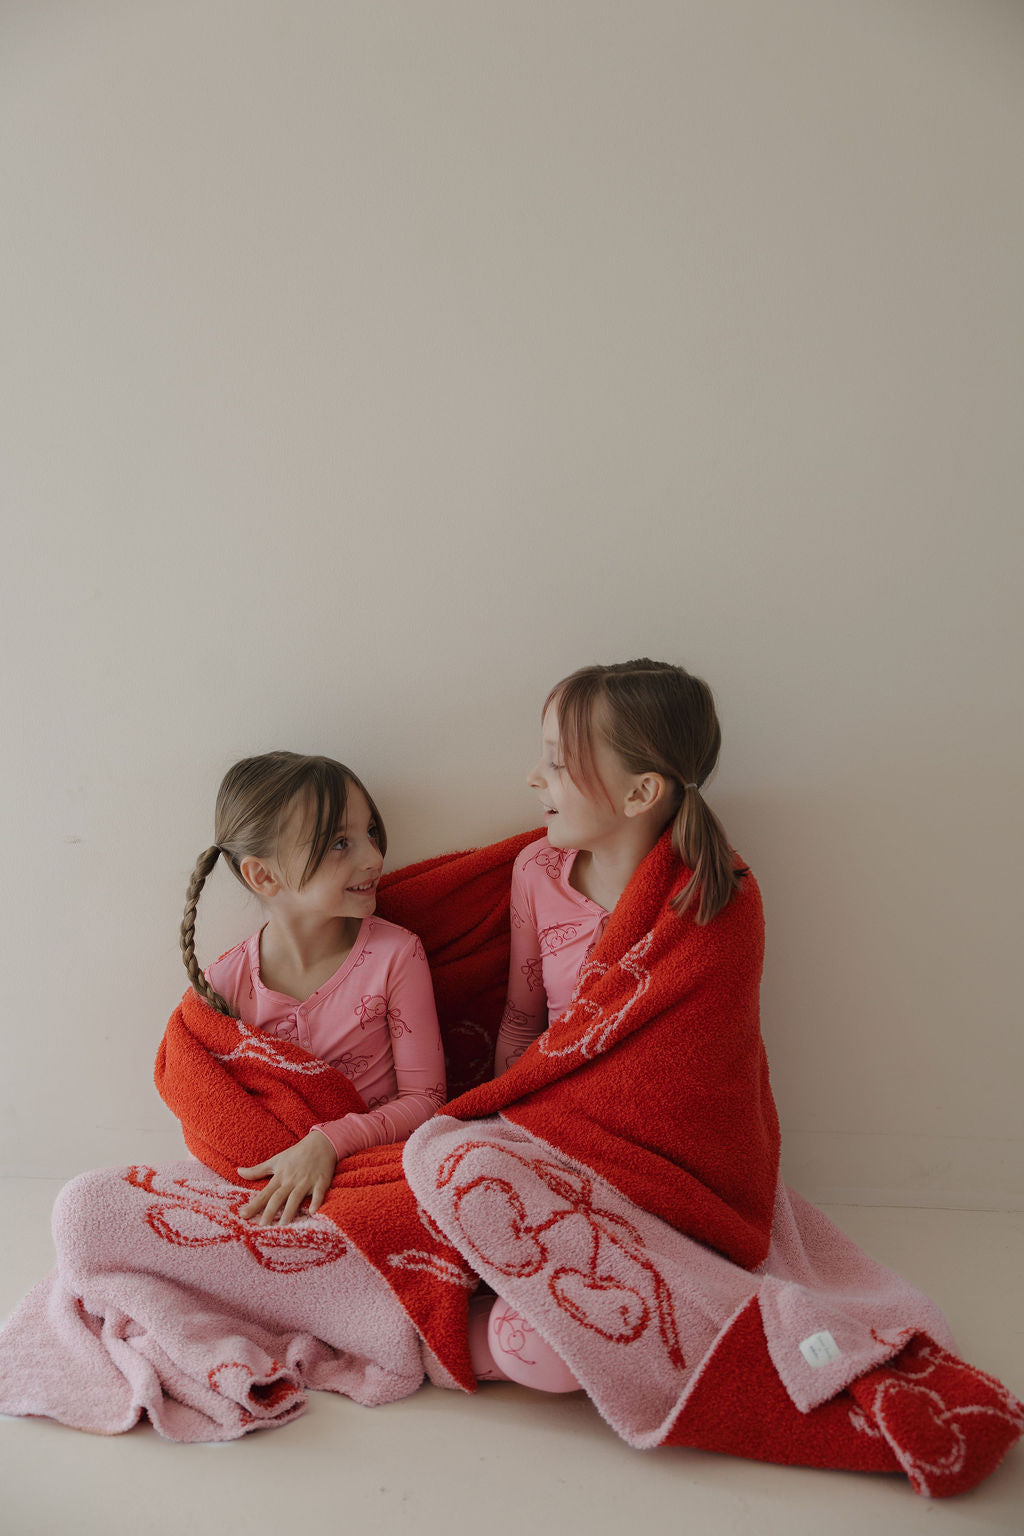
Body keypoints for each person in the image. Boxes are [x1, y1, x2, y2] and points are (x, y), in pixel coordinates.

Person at [471, 657, 743, 1391]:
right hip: (548, 1127)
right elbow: (524, 1023)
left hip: (651, 1162)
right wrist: (505, 1132)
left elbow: (705, 1077)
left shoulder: (712, 900)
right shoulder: (537, 872)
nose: (535, 779)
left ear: (640, 792)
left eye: (557, 764)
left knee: (538, 1345)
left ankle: (604, 1303)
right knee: (453, 1163)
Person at [179, 751, 445, 1228]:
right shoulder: (224, 985)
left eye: (370, 833)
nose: (374, 857)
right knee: (85, 1201)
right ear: (263, 875)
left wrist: (326, 1143)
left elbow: (427, 1100)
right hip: (273, 1191)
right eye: (340, 842)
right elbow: (211, 1109)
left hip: (378, 1178)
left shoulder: (395, 955)